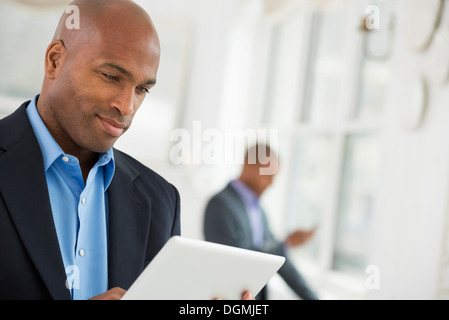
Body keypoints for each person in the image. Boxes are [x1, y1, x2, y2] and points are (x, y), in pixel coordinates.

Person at [0, 0, 254, 301]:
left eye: (142, 89)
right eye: (111, 76)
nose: (127, 105)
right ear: (55, 61)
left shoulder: (161, 201)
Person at [204, 144, 319, 300]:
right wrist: (286, 243)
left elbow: (280, 261)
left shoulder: (260, 211)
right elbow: (237, 261)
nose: (271, 183)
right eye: (268, 175)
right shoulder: (219, 204)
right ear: (248, 166)